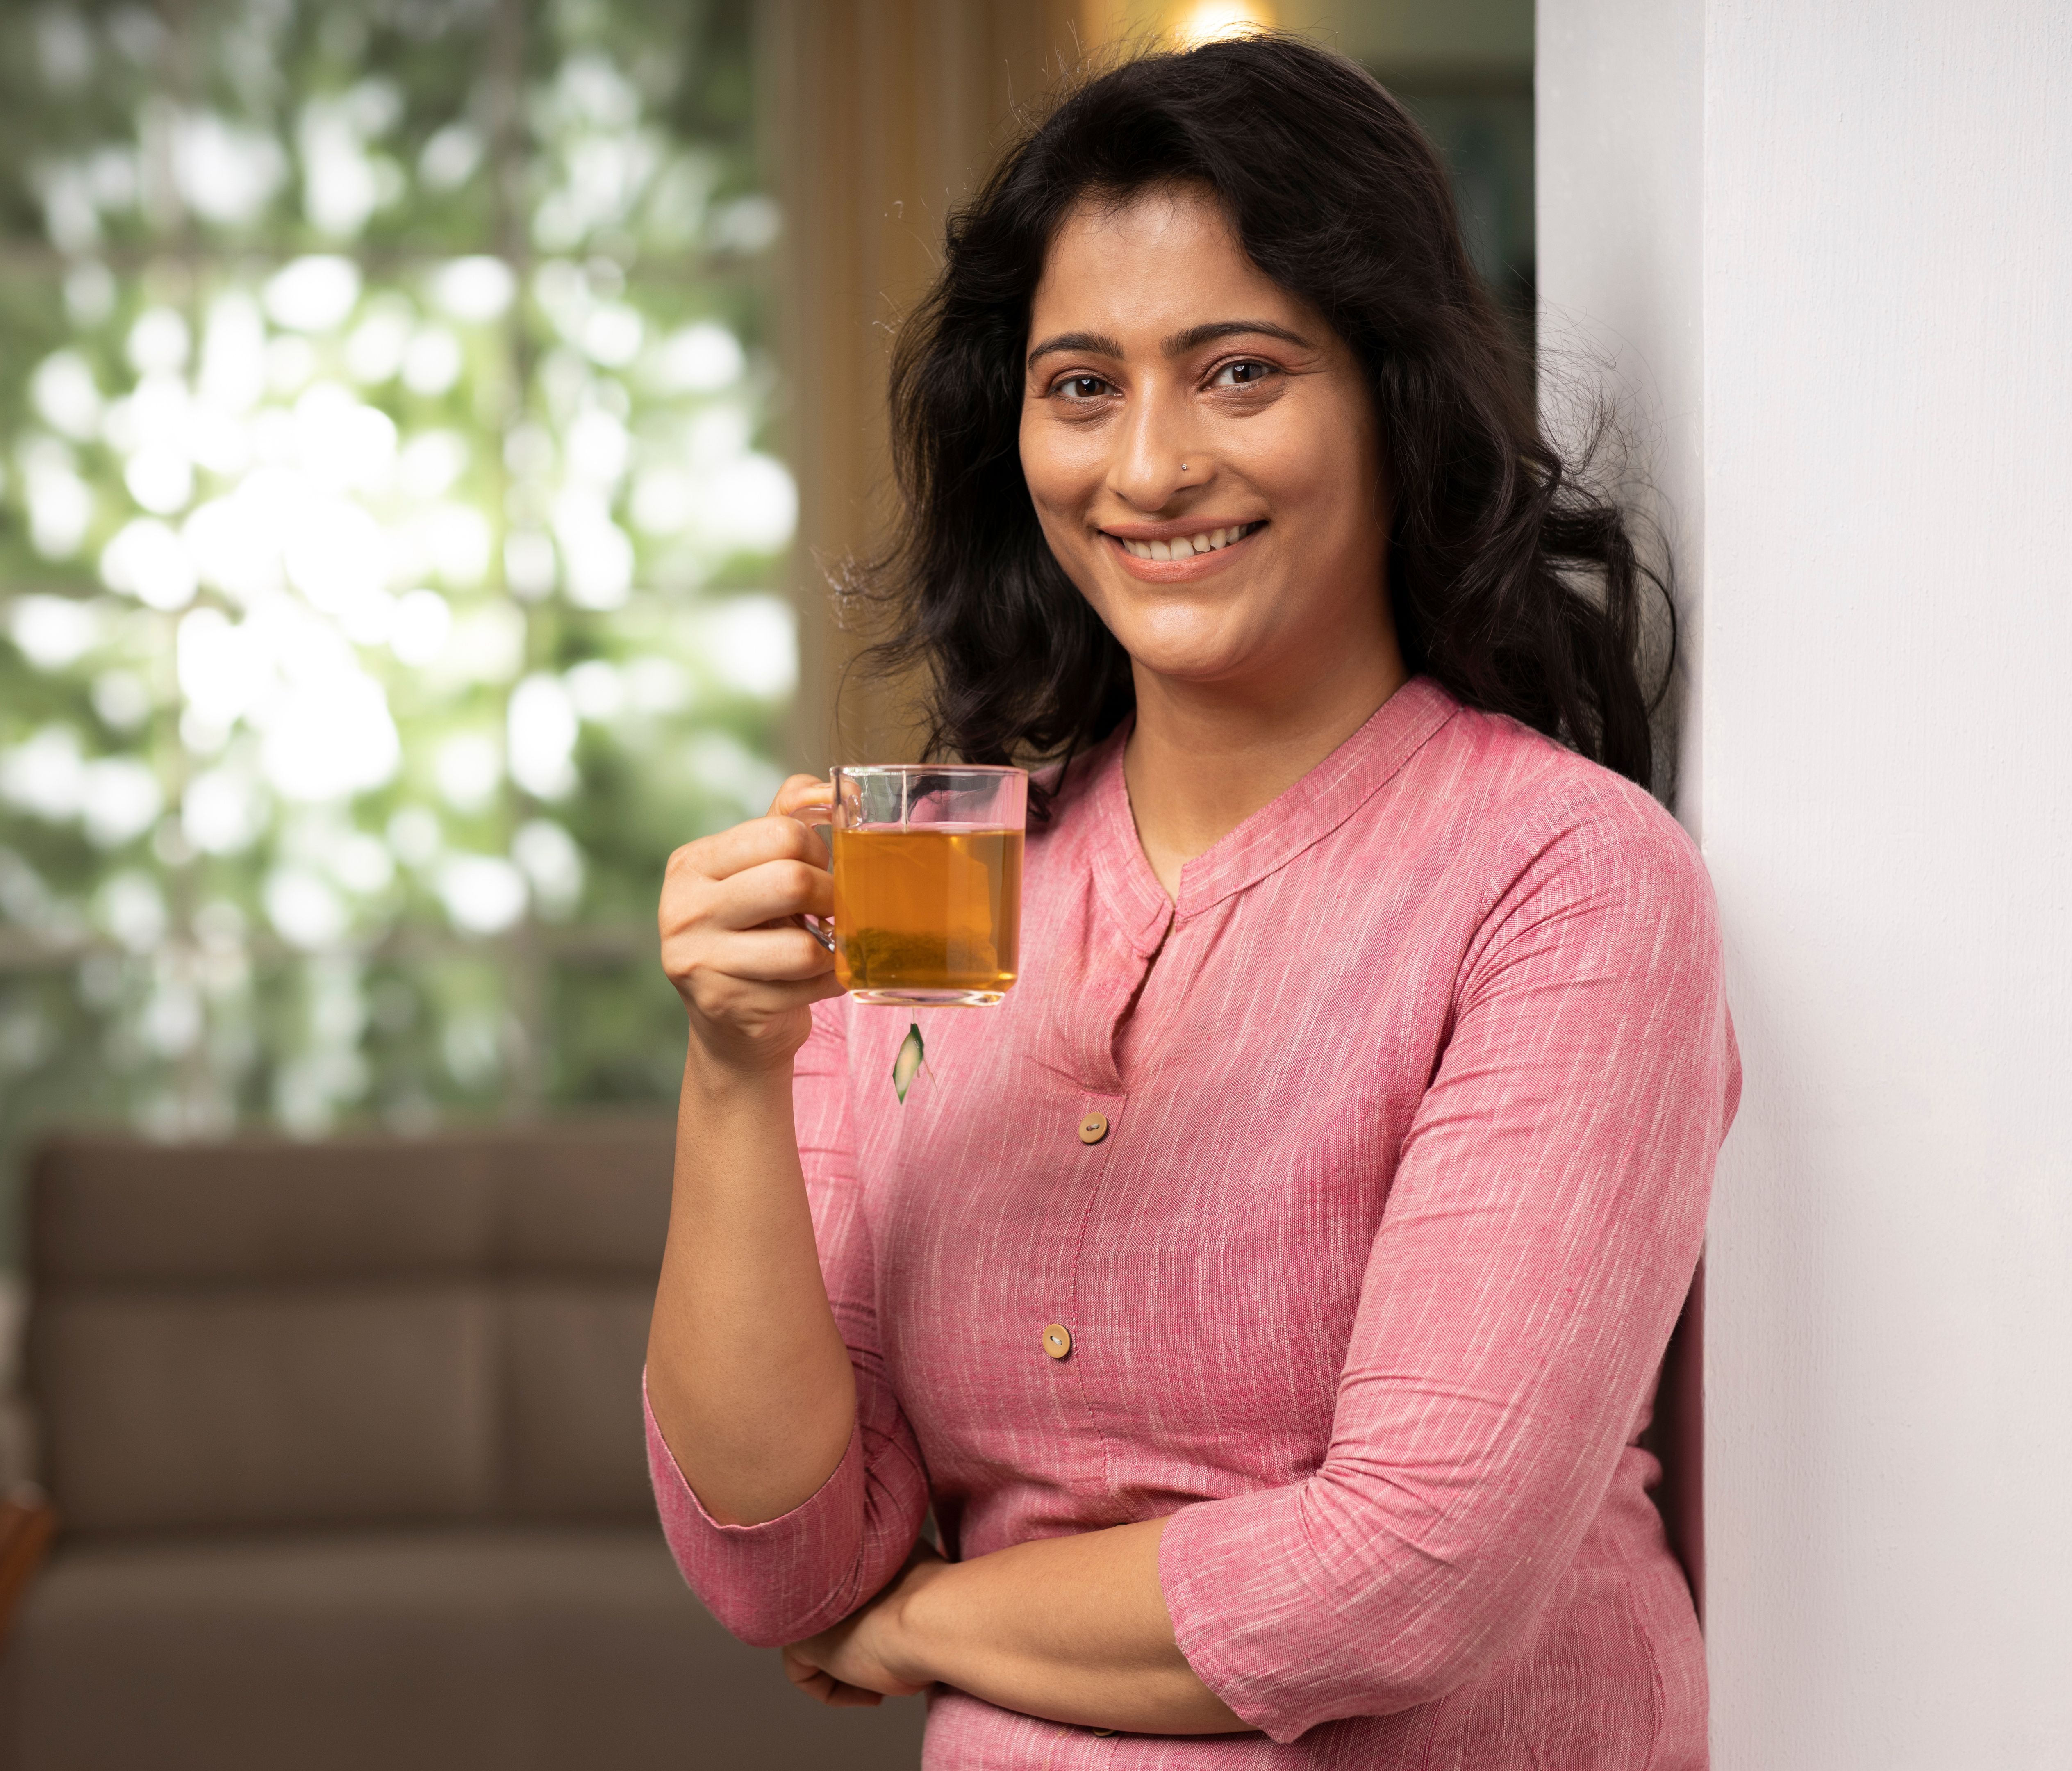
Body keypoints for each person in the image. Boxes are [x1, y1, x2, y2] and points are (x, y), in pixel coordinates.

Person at [646, 32, 1735, 1769]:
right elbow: (777, 1554)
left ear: (1392, 393)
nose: (1146, 469)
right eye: (1081, 385)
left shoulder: (1564, 882)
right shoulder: (946, 882)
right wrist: (733, 1066)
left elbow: (1406, 1576)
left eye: (1237, 372)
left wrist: (919, 1623)